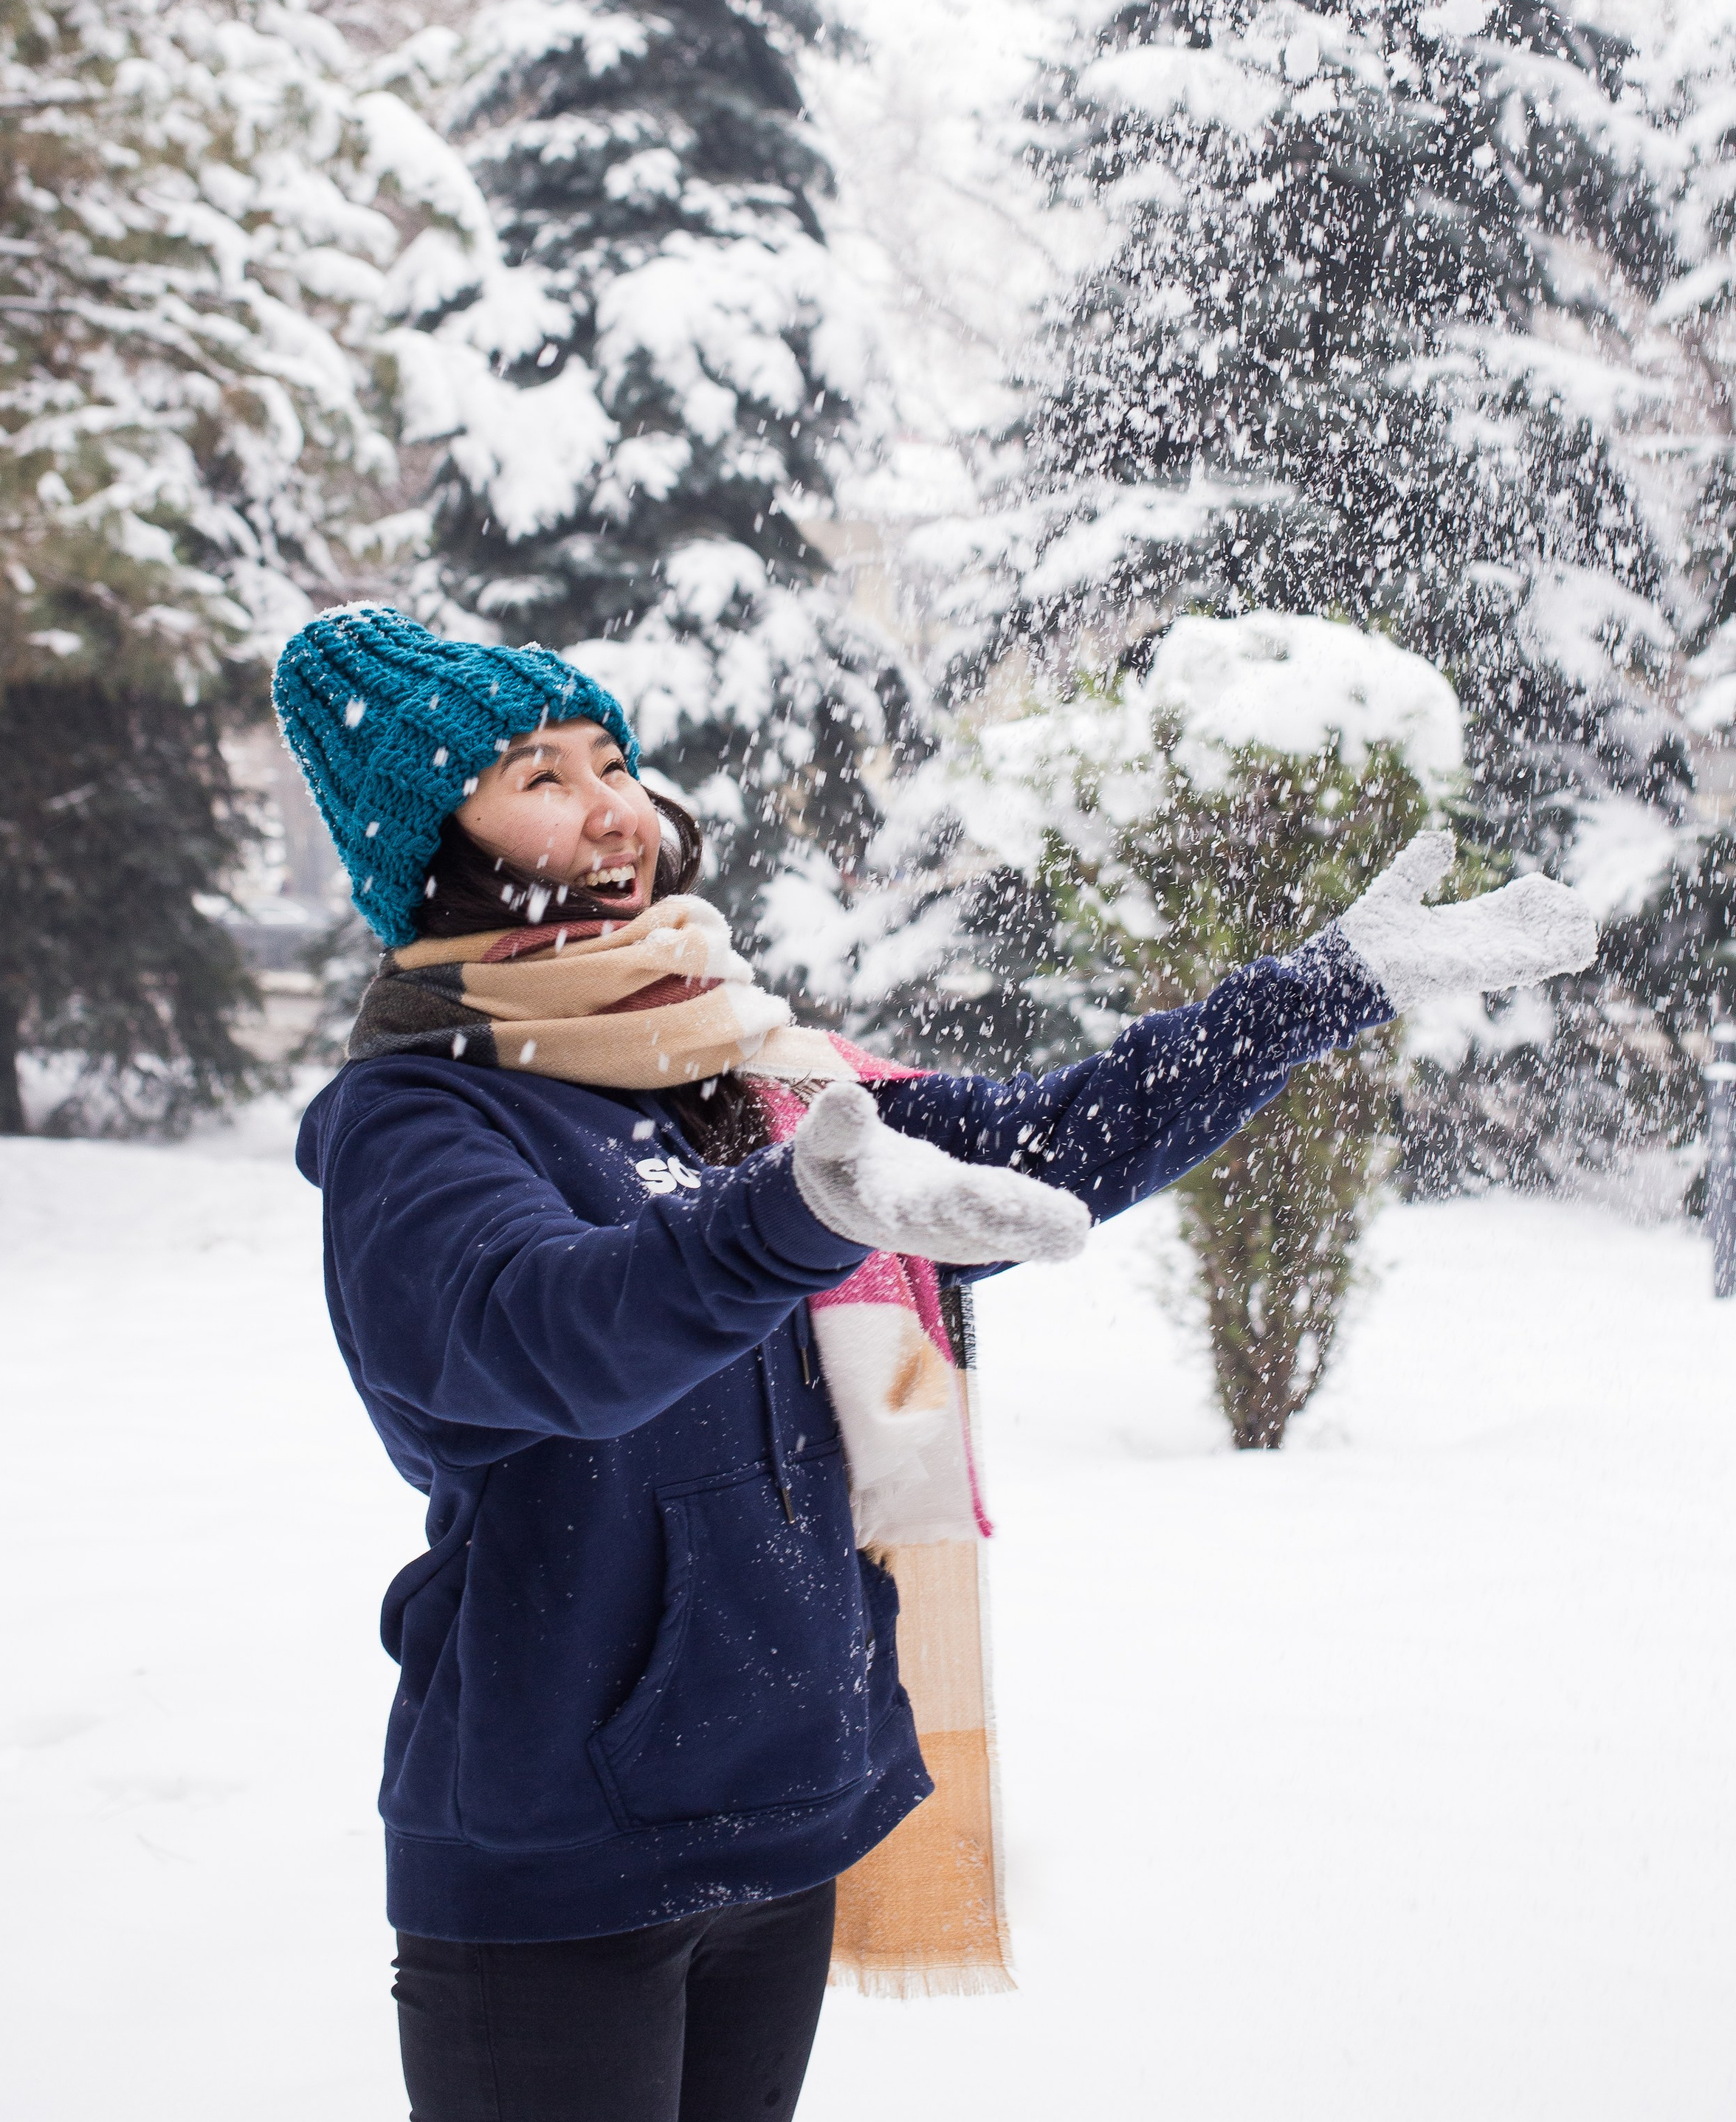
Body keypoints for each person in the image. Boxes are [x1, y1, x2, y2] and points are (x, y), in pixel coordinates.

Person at [274, 603, 1596, 2122]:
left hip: (781, 1805)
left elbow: (1056, 1135)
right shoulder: (422, 1123)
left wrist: (1315, 987)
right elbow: (553, 1335)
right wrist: (792, 1216)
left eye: (611, 760)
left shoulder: (746, 1062)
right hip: (561, 1850)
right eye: (538, 776)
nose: (610, 807)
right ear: (430, 841)